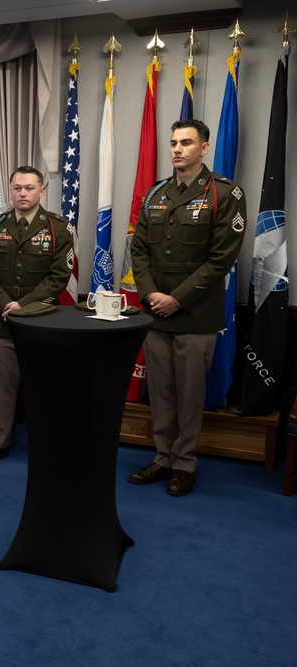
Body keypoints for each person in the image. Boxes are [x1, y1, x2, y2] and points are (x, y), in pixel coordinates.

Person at [128, 119, 246, 496]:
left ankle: (185, 463)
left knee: (190, 393)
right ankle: (163, 457)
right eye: (174, 143)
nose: (177, 149)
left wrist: (175, 298)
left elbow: (220, 259)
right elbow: (139, 249)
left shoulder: (224, 194)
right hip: (155, 313)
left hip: (194, 314)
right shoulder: (155, 194)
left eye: (187, 143)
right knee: (161, 391)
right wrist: (148, 294)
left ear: (204, 148)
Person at [0, 166, 74, 466]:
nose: (22, 193)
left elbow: (58, 278)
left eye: (29, 188)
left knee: (43, 389)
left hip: (41, 322)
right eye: (17, 188)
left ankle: (46, 444)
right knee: (2, 388)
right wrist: (6, 304)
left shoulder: (58, 229)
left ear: (41, 191)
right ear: (10, 190)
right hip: (1, 321)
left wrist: (24, 308)